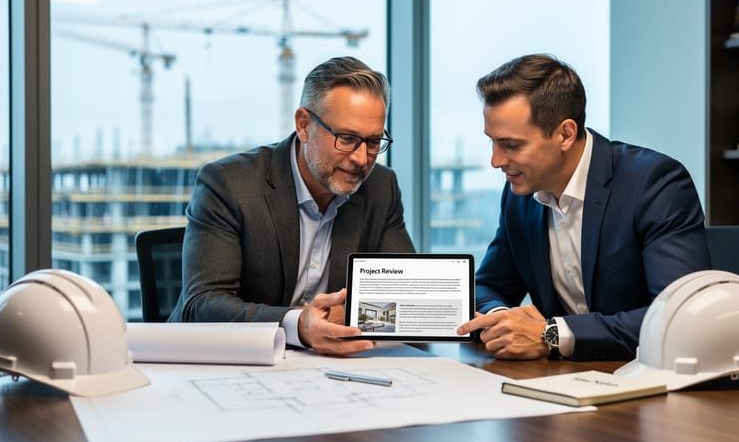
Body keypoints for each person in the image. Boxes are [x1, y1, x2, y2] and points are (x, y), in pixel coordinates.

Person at [457, 54, 710, 361]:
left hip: (644, 375)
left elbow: (678, 316)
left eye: (511, 145)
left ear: (565, 134)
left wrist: (551, 334)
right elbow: (487, 286)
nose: (495, 161)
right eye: (492, 142)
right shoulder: (519, 195)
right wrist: (500, 320)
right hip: (560, 378)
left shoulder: (654, 184)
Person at [169, 56, 415, 356]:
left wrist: (352, 313)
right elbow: (202, 305)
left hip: (328, 366)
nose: (361, 159)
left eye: (373, 142)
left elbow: (407, 294)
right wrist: (298, 325)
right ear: (304, 125)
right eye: (346, 138)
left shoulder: (380, 187)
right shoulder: (229, 183)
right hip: (230, 361)